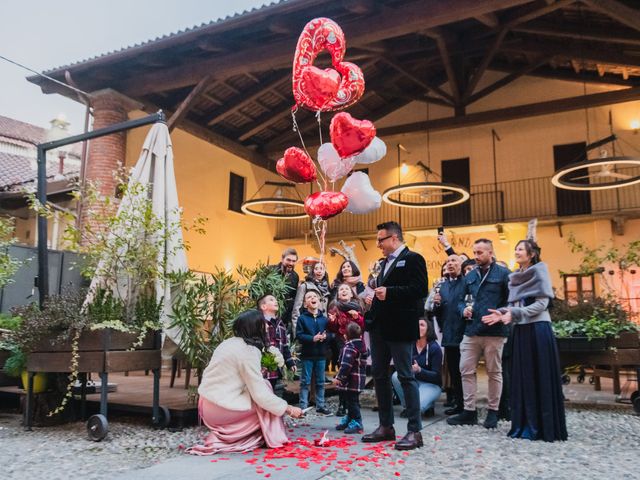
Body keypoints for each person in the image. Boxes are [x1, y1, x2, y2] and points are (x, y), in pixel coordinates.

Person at [482, 239, 567, 442]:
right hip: (521, 331)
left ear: (531, 254)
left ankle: (543, 426)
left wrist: (515, 313)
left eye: (520, 249)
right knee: (523, 377)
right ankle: (525, 424)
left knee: (540, 376)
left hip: (538, 330)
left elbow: (542, 304)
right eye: (515, 248)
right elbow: (515, 306)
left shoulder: (540, 271)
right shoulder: (516, 276)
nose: (516, 251)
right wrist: (503, 312)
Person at [188, 310, 303, 455]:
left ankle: (247, 434)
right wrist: (289, 408)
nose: (267, 327)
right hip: (220, 408)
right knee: (266, 404)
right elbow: (260, 395)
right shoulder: (248, 351)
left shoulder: (229, 342)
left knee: (266, 386)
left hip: (206, 403)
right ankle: (270, 437)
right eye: (264, 324)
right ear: (256, 327)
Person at [362, 221, 428, 451]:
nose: (378, 244)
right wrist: (373, 298)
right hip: (380, 327)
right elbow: (382, 293)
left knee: (405, 376)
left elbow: (420, 290)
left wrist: (389, 292)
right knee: (379, 375)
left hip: (401, 327)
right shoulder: (382, 264)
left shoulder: (413, 259)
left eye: (380, 239)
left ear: (394, 238)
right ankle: (386, 426)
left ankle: (414, 431)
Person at [448, 238, 510, 429]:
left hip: (495, 331)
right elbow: (460, 301)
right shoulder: (470, 276)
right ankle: (469, 411)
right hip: (472, 330)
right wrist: (462, 310)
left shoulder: (504, 274)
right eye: (474, 252)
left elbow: (512, 302)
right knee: (465, 369)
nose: (476, 256)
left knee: (494, 372)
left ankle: (493, 412)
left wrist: (501, 314)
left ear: (491, 253)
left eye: (480, 253)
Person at [432, 254, 466, 415]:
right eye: (448, 261)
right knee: (454, 371)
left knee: (465, 371)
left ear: (461, 265)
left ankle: (468, 405)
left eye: (454, 261)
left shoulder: (467, 282)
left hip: (465, 333)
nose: (450, 264)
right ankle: (458, 404)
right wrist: (437, 304)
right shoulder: (443, 286)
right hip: (449, 334)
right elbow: (438, 313)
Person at [391, 318, 442, 417]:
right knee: (396, 376)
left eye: (422, 325)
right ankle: (407, 407)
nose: (419, 328)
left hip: (431, 384)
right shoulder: (410, 346)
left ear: (429, 330)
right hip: (413, 381)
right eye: (417, 325)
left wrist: (420, 370)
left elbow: (437, 376)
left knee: (417, 407)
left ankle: (429, 405)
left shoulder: (435, 349)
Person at [328, 283, 365, 416]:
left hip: (356, 344)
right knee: (343, 374)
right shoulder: (334, 307)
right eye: (341, 289)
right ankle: (342, 404)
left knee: (356, 373)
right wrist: (332, 321)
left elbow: (362, 326)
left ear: (351, 293)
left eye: (346, 289)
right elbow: (332, 328)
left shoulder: (358, 306)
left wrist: (357, 317)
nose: (343, 291)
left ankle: (353, 401)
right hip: (341, 343)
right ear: (338, 294)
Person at [295, 290, 333, 416]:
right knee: (305, 381)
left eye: (314, 296)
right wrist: (312, 338)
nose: (312, 298)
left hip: (321, 354)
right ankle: (303, 406)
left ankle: (320, 405)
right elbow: (299, 335)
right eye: (309, 297)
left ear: (318, 300)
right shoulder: (302, 318)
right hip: (307, 354)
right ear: (305, 304)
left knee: (321, 381)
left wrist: (325, 337)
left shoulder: (325, 319)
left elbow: (331, 334)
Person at [333, 322, 369, 434]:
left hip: (351, 381)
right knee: (351, 401)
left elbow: (345, 365)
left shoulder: (349, 347)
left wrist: (339, 378)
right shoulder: (362, 346)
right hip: (359, 380)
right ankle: (350, 418)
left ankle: (357, 421)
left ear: (346, 336)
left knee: (352, 402)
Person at [258, 294, 297, 394]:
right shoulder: (259, 323)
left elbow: (284, 345)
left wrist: (290, 362)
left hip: (276, 368)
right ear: (263, 306)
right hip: (262, 368)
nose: (275, 301)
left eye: (276, 300)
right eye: (271, 300)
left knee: (273, 391)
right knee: (262, 392)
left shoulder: (280, 324)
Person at [291, 261, 331, 330]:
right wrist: (296, 333)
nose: (319, 271)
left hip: (324, 329)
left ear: (325, 272)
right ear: (312, 271)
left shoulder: (328, 289)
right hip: (308, 328)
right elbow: (296, 310)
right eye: (316, 269)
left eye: (322, 269)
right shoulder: (305, 286)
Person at [272, 248, 300, 330]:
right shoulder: (270, 271)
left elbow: (293, 298)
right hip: (266, 317)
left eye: (294, 261)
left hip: (284, 320)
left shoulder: (295, 276)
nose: (291, 263)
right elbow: (254, 290)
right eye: (288, 260)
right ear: (282, 259)